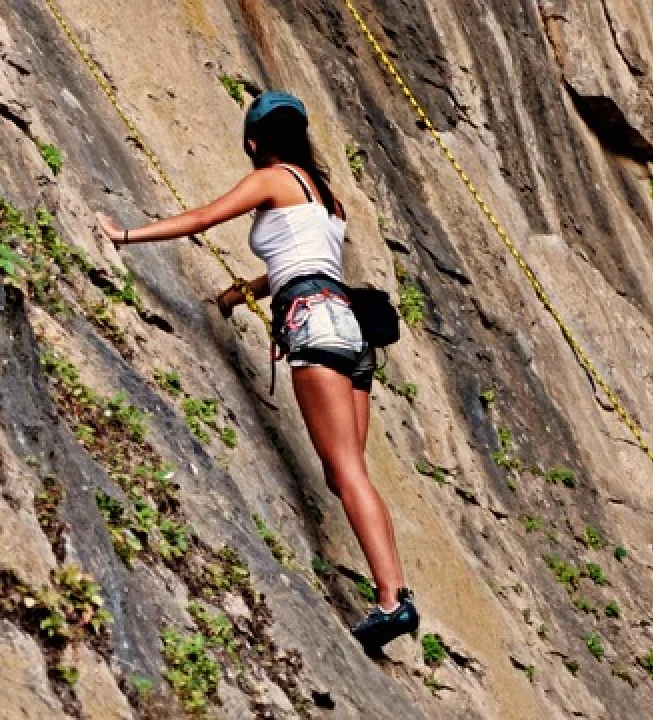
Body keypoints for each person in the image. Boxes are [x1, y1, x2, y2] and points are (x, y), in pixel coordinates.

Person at [96, 91, 418, 651]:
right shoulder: (330, 201)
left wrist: (123, 236)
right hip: (348, 328)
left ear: (254, 142)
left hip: (313, 322)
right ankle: (396, 594)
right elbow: (298, 263)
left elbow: (204, 217)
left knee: (345, 471)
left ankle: (391, 602)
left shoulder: (273, 178)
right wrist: (235, 292)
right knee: (351, 473)